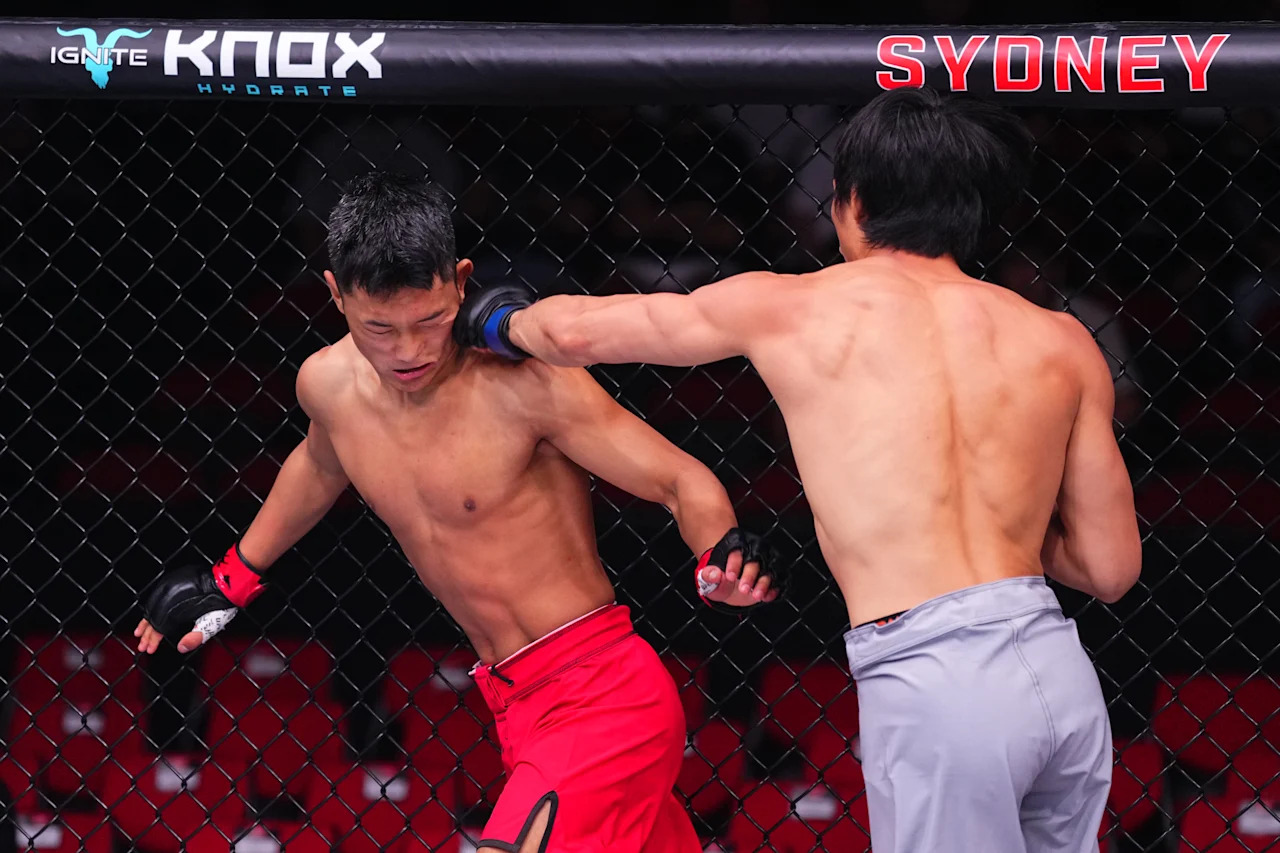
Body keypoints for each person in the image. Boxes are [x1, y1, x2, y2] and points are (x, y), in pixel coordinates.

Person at [454, 86, 1143, 853]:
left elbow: (582, 332)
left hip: (940, 679)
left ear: (853, 201)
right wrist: (998, 517)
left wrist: (498, 319)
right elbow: (1110, 568)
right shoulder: (1063, 340)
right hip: (1057, 670)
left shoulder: (793, 306)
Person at [133, 171, 782, 853]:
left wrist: (721, 553)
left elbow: (679, 478)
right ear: (335, 294)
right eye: (379, 328)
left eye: (429, 320)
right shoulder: (328, 386)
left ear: (462, 281)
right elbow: (320, 463)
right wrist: (233, 576)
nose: (408, 350)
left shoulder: (524, 384)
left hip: (601, 696)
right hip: (515, 708)